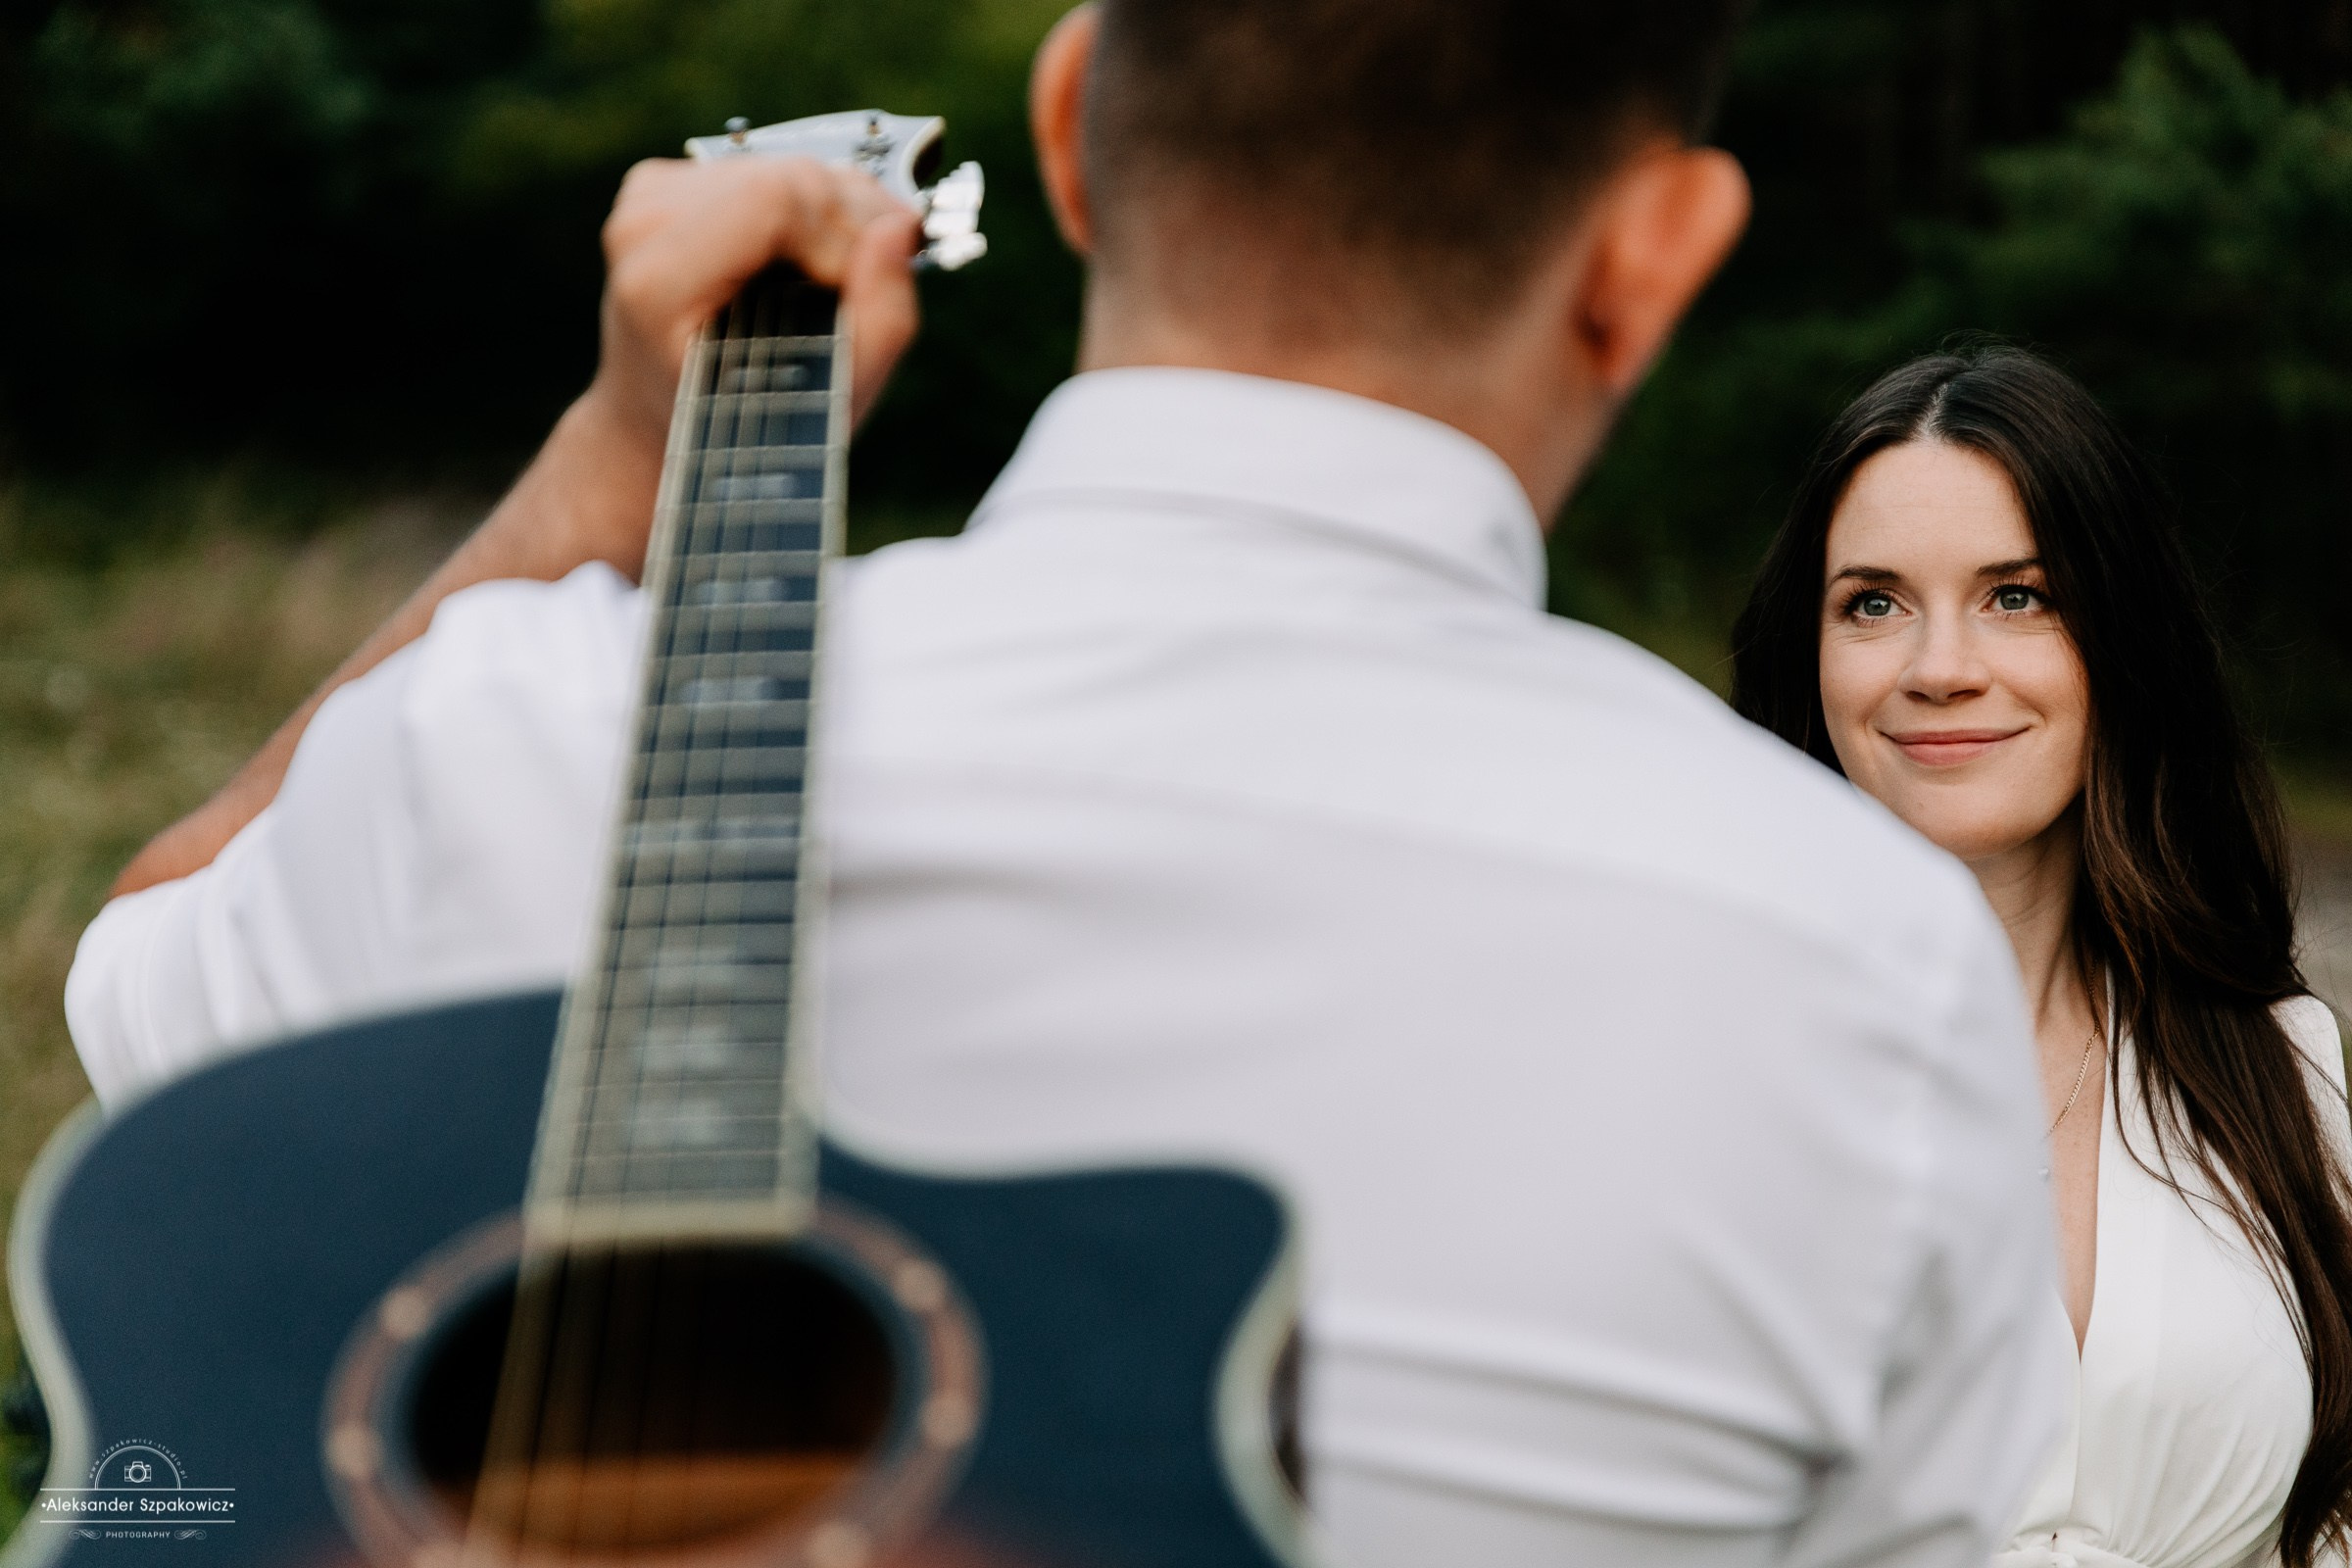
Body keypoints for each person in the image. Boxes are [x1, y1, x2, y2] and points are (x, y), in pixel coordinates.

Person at [66, 5, 2065, 1561]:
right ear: (1660, 244)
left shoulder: (514, 725)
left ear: (1073, 127)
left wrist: (615, 447)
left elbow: (141, 983)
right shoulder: (1869, 961)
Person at [1731, 345, 2352, 1568]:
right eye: (1873, 601)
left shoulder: (2285, 1068)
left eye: (2018, 594)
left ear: (2119, 640)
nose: (1941, 667)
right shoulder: (1706, 1066)